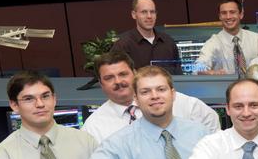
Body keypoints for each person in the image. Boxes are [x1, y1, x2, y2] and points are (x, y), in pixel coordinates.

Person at [73, 66, 208, 159]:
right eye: (145, 92)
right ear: (136, 99)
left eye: (161, 89)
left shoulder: (200, 133)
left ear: (173, 94)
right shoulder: (120, 142)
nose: (155, 96)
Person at [0, 71, 97, 159]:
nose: (40, 104)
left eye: (45, 96)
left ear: (54, 99)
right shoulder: (1, 157)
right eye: (29, 99)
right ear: (14, 105)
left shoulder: (86, 143)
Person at [81, 52, 219, 142]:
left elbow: (210, 121)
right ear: (101, 84)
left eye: (123, 74)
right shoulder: (93, 127)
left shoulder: (176, 101)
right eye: (109, 78)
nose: (118, 81)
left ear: (134, 74)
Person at [194, 0, 258, 77]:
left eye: (232, 12)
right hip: (225, 88)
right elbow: (198, 67)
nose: (228, 17)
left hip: (255, 87)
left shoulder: (257, 39)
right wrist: (211, 72)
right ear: (220, 16)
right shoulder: (213, 42)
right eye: (224, 13)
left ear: (241, 14)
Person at [112, 0, 181, 72]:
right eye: (144, 12)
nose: (149, 16)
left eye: (152, 12)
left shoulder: (168, 42)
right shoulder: (122, 45)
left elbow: (178, 74)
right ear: (134, 15)